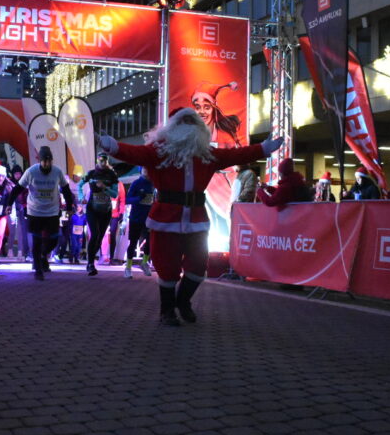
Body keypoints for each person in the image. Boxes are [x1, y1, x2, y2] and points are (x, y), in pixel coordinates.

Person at [98, 108, 282, 325]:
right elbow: (133, 153)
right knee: (167, 266)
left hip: (196, 219)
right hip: (166, 219)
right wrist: (113, 146)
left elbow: (236, 155)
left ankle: (183, 301)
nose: (188, 127)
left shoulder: (206, 154)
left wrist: (262, 148)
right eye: (183, 122)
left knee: (198, 265)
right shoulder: (158, 151)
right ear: (172, 127)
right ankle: (167, 311)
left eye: (192, 122)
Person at [8, 146, 76, 280]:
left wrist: (69, 207)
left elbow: (66, 190)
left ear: (52, 161)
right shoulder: (31, 172)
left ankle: (43, 255)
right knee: (37, 240)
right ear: (40, 160)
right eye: (44, 161)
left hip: (52, 211)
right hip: (35, 212)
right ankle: (38, 269)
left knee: (54, 239)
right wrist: (9, 204)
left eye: (49, 161)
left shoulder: (57, 172)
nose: (47, 164)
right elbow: (17, 189)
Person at [79, 152, 119, 276]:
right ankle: (90, 264)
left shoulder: (112, 175)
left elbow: (115, 194)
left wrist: (105, 188)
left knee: (100, 237)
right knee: (94, 234)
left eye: (105, 160)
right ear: (97, 161)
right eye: (100, 160)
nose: (102, 162)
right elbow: (80, 185)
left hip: (106, 211)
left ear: (107, 161)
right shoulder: (91, 173)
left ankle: (91, 260)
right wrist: (81, 197)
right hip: (92, 209)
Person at [190, 81, 242, 147]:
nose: (202, 111)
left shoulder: (225, 138)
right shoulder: (189, 136)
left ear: (214, 110)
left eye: (207, 107)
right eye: (198, 107)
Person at [123, 167, 154, 278]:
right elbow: (127, 200)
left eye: (149, 169)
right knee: (133, 242)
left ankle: (144, 263)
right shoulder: (136, 183)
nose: (147, 172)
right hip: (136, 218)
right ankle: (128, 268)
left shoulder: (154, 184)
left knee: (151, 241)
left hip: (149, 219)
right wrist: (138, 198)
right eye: (145, 169)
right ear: (141, 170)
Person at [6, 164, 30, 261]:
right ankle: (10, 250)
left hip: (21, 209)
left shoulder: (24, 184)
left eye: (19, 173)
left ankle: (21, 251)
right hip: (11, 209)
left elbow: (26, 196)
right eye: (15, 173)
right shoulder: (9, 184)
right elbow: (8, 196)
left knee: (21, 231)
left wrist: (24, 205)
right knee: (12, 231)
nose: (17, 175)